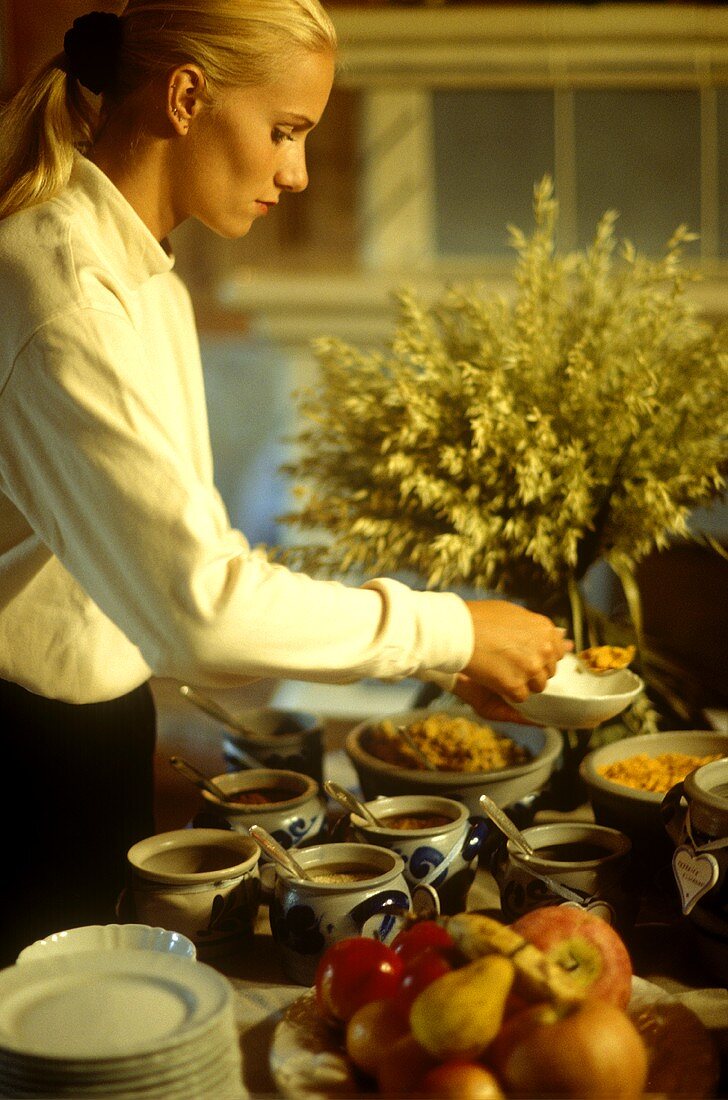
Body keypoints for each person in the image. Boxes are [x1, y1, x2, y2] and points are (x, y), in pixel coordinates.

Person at [0, 0, 570, 965]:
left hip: (95, 735)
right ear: (186, 97)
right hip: (21, 764)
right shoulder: (62, 297)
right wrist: (451, 629)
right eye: (286, 131)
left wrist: (450, 654)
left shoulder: (146, 281)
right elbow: (204, 612)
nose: (297, 173)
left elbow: (187, 573)